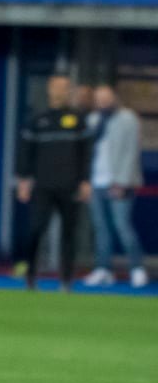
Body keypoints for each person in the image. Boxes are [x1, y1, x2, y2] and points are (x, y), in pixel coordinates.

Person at [13, 73, 93, 292]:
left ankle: (66, 280)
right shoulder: (38, 120)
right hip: (43, 186)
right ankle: (30, 275)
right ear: (50, 89)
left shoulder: (78, 120)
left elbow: (86, 153)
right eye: (58, 87)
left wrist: (85, 181)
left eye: (65, 87)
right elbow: (25, 152)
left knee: (69, 234)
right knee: (36, 229)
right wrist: (23, 180)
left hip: (70, 185)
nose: (61, 91)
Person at [83, 83, 148, 288]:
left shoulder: (128, 118)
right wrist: (86, 180)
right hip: (96, 181)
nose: (103, 101)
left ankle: (137, 268)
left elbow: (132, 151)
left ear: (114, 97)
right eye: (99, 98)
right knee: (101, 228)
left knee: (122, 225)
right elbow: (86, 151)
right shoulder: (92, 119)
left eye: (106, 97)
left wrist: (122, 181)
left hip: (119, 182)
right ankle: (103, 269)